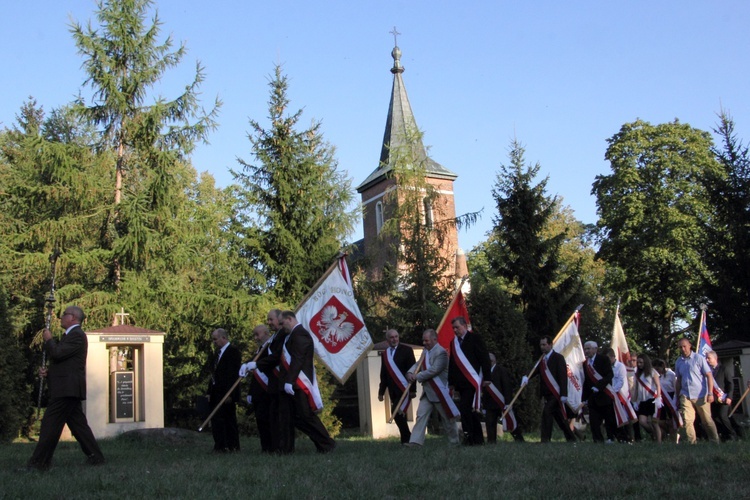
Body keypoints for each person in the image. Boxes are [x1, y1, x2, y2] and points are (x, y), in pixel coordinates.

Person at [27, 306, 105, 471]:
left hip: (66, 390)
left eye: (64, 315)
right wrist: (48, 373)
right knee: (79, 426)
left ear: (73, 318)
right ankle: (96, 457)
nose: (61, 317)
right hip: (68, 388)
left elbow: (57, 353)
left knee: (50, 425)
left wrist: (48, 340)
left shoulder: (77, 335)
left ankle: (39, 463)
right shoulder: (70, 336)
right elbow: (65, 364)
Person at [276, 310, 335, 454]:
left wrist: (290, 381)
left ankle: (326, 443)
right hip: (293, 383)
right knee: (294, 418)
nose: (282, 327)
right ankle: (291, 449)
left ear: (289, 319)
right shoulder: (291, 336)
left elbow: (298, 360)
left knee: (306, 416)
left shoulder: (300, 334)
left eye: (282, 323)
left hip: (299, 383)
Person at [405, 329, 460, 447]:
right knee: (421, 415)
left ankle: (454, 442)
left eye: (427, 340)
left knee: (448, 418)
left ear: (435, 339)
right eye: (423, 340)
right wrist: (410, 372)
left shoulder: (442, 353)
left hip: (440, 392)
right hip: (428, 392)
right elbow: (418, 364)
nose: (424, 343)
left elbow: (434, 370)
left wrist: (416, 376)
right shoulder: (425, 351)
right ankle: (415, 442)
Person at [521, 335, 576, 443]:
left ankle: (545, 440)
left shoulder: (558, 358)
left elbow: (563, 376)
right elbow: (534, 370)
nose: (542, 347)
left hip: (556, 394)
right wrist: (526, 376)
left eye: (544, 345)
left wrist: (564, 393)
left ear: (550, 345)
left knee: (546, 413)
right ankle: (571, 438)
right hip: (546, 394)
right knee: (559, 418)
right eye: (541, 345)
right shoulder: (542, 359)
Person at [448, 316, 491, 445]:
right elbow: (453, 363)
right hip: (460, 383)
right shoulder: (453, 343)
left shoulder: (474, 339)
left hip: (472, 382)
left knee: (465, 408)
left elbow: (484, 358)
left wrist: (488, 377)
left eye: (457, 327)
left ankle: (468, 436)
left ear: (464, 326)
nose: (455, 330)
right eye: (453, 328)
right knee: (470, 411)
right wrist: (451, 382)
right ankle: (477, 439)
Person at [674, 337, 719, 444]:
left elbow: (709, 375)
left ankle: (714, 441)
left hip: (701, 394)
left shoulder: (698, 358)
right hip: (685, 395)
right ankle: (692, 443)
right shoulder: (678, 362)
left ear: (690, 345)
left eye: (684, 346)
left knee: (706, 420)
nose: (683, 349)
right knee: (688, 421)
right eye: (680, 347)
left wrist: (710, 393)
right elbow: (678, 380)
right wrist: (677, 396)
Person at [378, 329, 416, 444]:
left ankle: (406, 438)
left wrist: (413, 389)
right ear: (387, 340)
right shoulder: (385, 354)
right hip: (393, 390)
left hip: (405, 388)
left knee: (397, 413)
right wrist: (381, 392)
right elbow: (383, 374)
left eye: (396, 336)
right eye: (391, 337)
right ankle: (407, 439)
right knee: (400, 415)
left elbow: (413, 369)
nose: (394, 339)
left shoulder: (407, 350)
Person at [207, 328, 242, 453]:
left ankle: (233, 446)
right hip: (216, 392)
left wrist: (230, 394)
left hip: (227, 393)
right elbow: (213, 375)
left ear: (223, 338)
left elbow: (232, 375)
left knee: (228, 419)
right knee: (216, 419)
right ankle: (220, 445)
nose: (214, 342)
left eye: (215, 339)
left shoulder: (233, 352)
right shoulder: (217, 354)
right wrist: (209, 392)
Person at [244, 324, 273, 452]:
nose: (255, 338)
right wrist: (251, 392)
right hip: (258, 392)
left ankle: (271, 447)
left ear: (266, 334)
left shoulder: (270, 348)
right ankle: (265, 447)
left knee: (268, 421)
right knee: (260, 421)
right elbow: (255, 375)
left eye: (258, 334)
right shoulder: (259, 349)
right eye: (254, 335)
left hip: (268, 390)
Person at [483, 353, 524, 443]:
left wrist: (508, 402)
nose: (489, 362)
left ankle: (519, 440)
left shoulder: (501, 370)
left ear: (495, 361)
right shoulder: (484, 372)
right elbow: (484, 390)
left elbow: (507, 386)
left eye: (491, 361)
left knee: (510, 421)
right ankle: (491, 442)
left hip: (502, 403)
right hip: (490, 404)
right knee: (490, 423)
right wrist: (484, 406)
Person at [581, 341, 617, 443]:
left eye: (588, 349)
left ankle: (610, 438)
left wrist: (599, 387)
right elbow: (586, 382)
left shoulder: (603, 359)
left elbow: (609, 375)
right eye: (585, 349)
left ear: (595, 349)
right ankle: (597, 439)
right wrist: (584, 398)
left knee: (609, 419)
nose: (586, 351)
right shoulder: (585, 364)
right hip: (592, 397)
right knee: (594, 421)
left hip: (605, 394)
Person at [705, 351, 738, 441]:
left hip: (723, 397)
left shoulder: (723, 369)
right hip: (713, 399)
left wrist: (729, 396)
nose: (707, 360)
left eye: (709, 358)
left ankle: (732, 433)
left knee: (722, 416)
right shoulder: (707, 371)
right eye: (706, 358)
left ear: (715, 358)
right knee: (715, 417)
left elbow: (730, 384)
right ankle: (724, 435)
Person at [631, 354, 662, 443]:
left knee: (654, 422)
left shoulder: (652, 372)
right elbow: (636, 388)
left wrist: (659, 397)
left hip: (652, 398)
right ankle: (653, 433)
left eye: (641, 362)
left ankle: (659, 442)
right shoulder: (637, 374)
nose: (639, 364)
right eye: (638, 362)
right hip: (642, 400)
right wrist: (635, 401)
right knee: (642, 421)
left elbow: (658, 385)